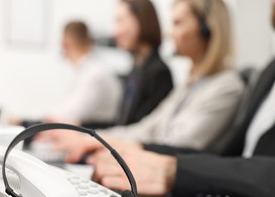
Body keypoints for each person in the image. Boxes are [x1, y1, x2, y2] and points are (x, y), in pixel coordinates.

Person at [88, 0, 275, 197]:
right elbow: (230, 155)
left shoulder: (229, 85)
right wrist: (142, 150)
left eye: (178, 23)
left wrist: (175, 173)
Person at [44, 0, 244, 160]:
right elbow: (146, 128)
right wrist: (93, 137)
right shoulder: (190, 85)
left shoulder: (227, 87)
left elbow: (177, 146)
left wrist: (100, 142)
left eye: (178, 23)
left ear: (206, 28)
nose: (169, 32)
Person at [84, 0, 173, 128]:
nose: (115, 31)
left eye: (120, 21)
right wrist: (81, 127)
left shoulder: (158, 73)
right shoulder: (136, 69)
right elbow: (121, 124)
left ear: (141, 20)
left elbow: (141, 130)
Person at [46, 21, 122, 125]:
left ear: (65, 44)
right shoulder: (85, 70)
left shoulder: (95, 74)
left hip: (97, 134)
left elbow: (68, 115)